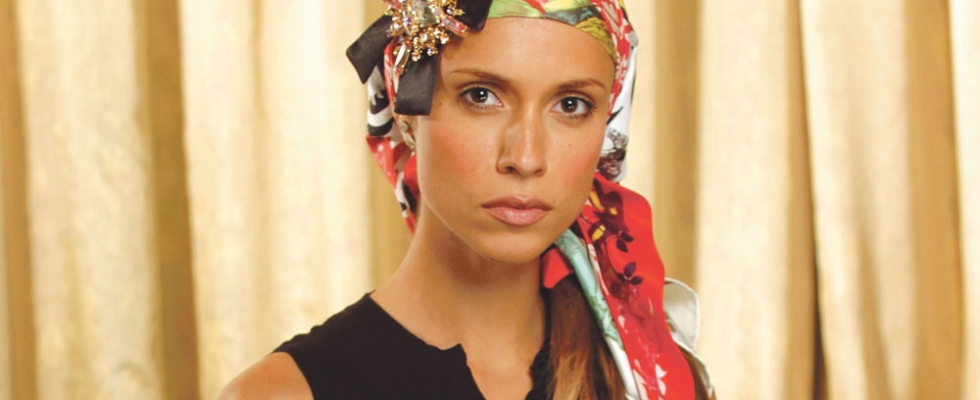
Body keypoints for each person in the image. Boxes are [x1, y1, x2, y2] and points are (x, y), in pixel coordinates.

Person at [219, 0, 712, 399]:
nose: (526, 157)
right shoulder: (283, 394)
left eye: (571, 105)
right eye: (481, 96)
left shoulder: (647, 373)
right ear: (405, 113)